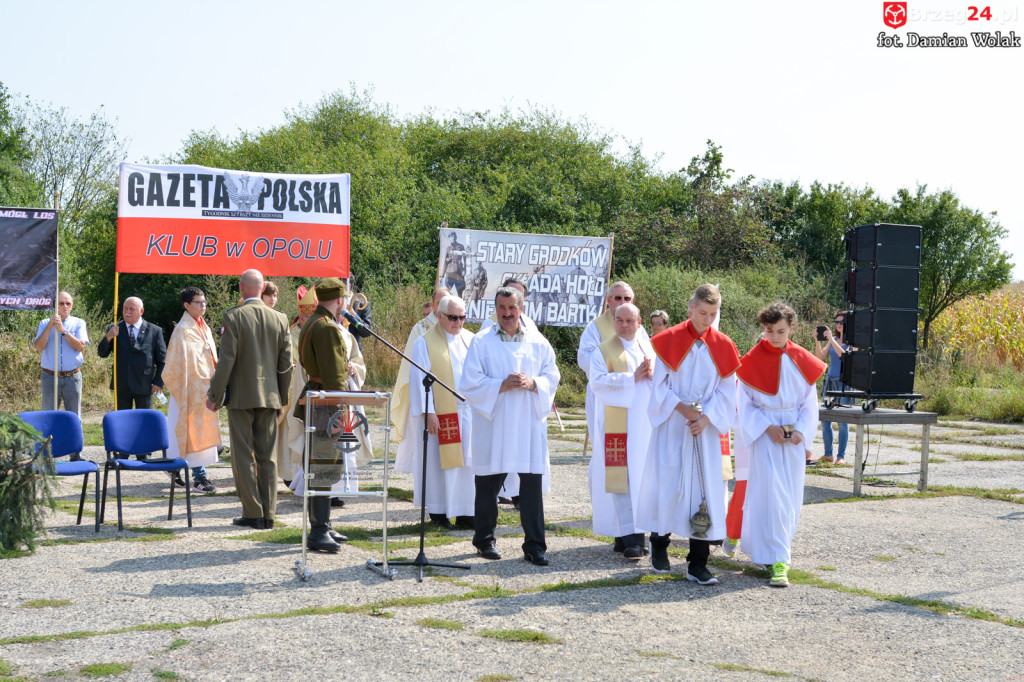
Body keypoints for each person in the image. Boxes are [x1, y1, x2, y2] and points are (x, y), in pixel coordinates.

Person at [635, 284, 740, 584]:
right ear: (690, 308)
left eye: (713, 314)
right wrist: (683, 409)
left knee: (701, 493)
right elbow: (659, 387)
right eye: (702, 312)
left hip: (702, 431)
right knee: (668, 484)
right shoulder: (668, 340)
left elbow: (725, 391)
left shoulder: (723, 345)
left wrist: (706, 418)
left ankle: (698, 562)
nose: (707, 319)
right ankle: (659, 546)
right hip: (673, 425)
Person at [461, 286, 560, 566]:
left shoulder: (538, 342)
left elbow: (552, 375)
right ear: (496, 309)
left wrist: (534, 384)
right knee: (488, 486)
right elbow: (469, 382)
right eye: (502, 308)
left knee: (530, 488)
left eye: (512, 308)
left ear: (522, 308)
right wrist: (500, 385)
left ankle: (535, 545)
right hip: (495, 423)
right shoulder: (482, 342)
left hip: (527, 424)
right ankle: (484, 540)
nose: (507, 313)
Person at [737, 302, 826, 587]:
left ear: (791, 329)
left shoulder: (801, 359)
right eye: (769, 330)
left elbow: (809, 404)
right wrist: (767, 427)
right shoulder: (751, 360)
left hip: (794, 439)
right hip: (765, 436)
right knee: (770, 496)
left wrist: (801, 431)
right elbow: (744, 404)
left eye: (780, 331)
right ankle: (779, 561)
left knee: (788, 498)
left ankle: (774, 549)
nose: (774, 336)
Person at [206, 269, 292, 531]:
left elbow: (226, 361)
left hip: (242, 398)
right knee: (268, 457)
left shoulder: (234, 316)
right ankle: (269, 513)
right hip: (270, 397)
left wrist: (215, 395)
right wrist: (282, 399)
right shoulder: (280, 318)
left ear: (242, 288)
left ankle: (252, 512)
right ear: (263, 286)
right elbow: (286, 365)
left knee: (243, 455)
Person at [587, 303, 655, 559]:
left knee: (641, 479)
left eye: (630, 321)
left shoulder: (647, 347)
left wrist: (652, 374)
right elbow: (598, 382)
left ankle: (628, 534)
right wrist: (631, 378)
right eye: (620, 320)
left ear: (639, 323)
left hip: (644, 425)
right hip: (619, 426)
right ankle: (632, 538)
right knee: (623, 478)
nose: (624, 326)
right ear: (613, 321)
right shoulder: (603, 350)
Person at [292, 277, 354, 552]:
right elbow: (334, 376)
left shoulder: (314, 321)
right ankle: (318, 530)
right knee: (323, 466)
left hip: (318, 398)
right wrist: (340, 410)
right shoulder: (327, 327)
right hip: (326, 402)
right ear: (339, 300)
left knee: (322, 463)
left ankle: (323, 523)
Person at [405, 294, 476, 530]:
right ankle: (439, 511)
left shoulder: (471, 340)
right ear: (440, 315)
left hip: (469, 412)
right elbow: (418, 379)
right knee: (440, 465)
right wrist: (428, 413)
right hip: (441, 413)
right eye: (453, 317)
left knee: (467, 463)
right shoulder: (424, 343)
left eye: (462, 317)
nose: (458, 322)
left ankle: (467, 512)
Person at [163, 287, 220, 494]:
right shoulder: (182, 330)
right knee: (190, 433)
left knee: (198, 433)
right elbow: (177, 363)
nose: (203, 305)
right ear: (187, 305)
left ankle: (175, 468)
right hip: (187, 391)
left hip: (203, 389)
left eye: (204, 301)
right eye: (198, 302)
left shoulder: (203, 327)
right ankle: (199, 477)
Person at [578, 282, 648, 442]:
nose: (623, 302)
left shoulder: (638, 328)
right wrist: (610, 364)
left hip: (636, 395)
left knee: (636, 443)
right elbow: (584, 358)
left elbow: (648, 355)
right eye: (618, 298)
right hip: (606, 392)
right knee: (608, 448)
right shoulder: (594, 327)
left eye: (627, 298)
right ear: (608, 300)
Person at [392, 287, 450, 472]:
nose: (443, 306)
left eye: (447, 302)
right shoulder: (421, 328)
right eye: (440, 303)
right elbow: (414, 364)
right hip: (428, 388)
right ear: (433, 304)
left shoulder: (454, 324)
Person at [277, 285, 318, 486]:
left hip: (314, 390)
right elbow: (287, 362)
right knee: (293, 432)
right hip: (295, 392)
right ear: (301, 317)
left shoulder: (319, 333)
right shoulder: (291, 334)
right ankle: (291, 475)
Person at [97, 296, 167, 410]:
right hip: (122, 384)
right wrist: (109, 336)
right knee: (123, 421)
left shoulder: (154, 331)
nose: (127, 312)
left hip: (144, 384)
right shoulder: (114, 328)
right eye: (125, 308)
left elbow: (162, 361)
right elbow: (102, 353)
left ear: (141, 311)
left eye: (132, 309)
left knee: (144, 421)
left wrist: (158, 382)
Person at [32, 291, 88, 421]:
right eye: (61, 303)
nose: (65, 306)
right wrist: (50, 325)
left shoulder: (79, 323)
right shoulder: (44, 323)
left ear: (72, 306)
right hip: (50, 376)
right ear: (55, 305)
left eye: (68, 303)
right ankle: (49, 441)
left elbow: (80, 346)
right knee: (48, 417)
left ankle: (75, 441)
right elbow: (38, 347)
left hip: (72, 377)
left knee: (74, 417)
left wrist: (63, 330)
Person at [815, 311, 854, 465]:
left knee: (843, 422)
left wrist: (831, 338)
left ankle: (841, 456)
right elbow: (820, 357)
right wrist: (817, 340)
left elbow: (843, 355)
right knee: (825, 419)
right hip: (830, 381)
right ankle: (828, 454)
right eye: (837, 321)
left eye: (842, 322)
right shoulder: (834, 339)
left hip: (843, 383)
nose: (838, 324)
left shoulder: (854, 342)